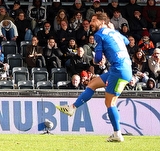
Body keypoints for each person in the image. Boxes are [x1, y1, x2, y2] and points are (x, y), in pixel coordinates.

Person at [56, 11, 133, 143]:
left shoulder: (99, 34)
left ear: (102, 22)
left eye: (93, 20)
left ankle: (117, 134)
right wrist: (114, 31)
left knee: (110, 102)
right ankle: (72, 108)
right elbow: (126, 41)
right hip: (123, 69)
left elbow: (97, 58)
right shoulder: (113, 33)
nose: (91, 23)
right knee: (92, 84)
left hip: (118, 70)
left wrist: (97, 59)